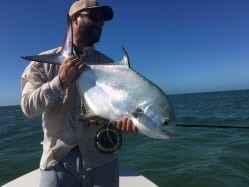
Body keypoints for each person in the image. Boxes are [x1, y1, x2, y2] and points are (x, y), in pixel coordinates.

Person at [20, 0, 138, 186]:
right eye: (95, 17)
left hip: (101, 159)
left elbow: (114, 108)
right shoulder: (42, 64)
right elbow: (28, 107)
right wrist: (60, 82)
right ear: (75, 19)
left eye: (102, 20)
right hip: (57, 160)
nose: (100, 23)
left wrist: (124, 120)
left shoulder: (111, 67)